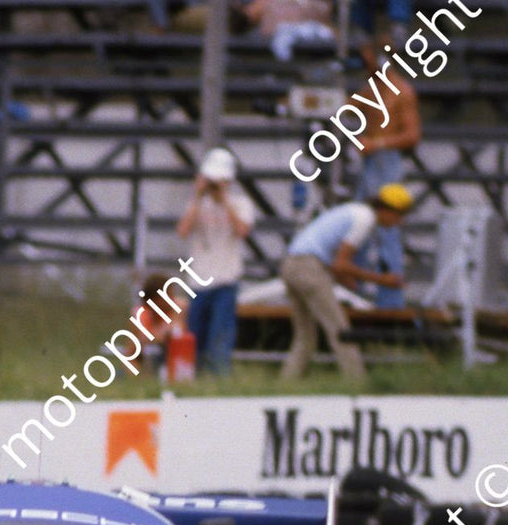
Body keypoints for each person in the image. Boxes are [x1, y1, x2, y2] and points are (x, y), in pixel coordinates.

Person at [279, 183, 413, 381]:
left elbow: (335, 262)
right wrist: (382, 280)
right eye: (398, 215)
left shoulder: (354, 210)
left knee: (305, 336)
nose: (398, 222)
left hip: (291, 263)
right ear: (386, 210)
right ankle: (357, 383)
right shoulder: (365, 220)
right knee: (341, 332)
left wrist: (347, 277)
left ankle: (286, 384)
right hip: (309, 267)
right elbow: (340, 264)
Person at [176, 148, 255, 375]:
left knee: (220, 338)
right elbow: (183, 230)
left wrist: (224, 200)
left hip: (225, 280)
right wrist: (198, 196)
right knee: (194, 338)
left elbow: (242, 230)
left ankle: (219, 380)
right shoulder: (196, 204)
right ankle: (191, 379)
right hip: (197, 280)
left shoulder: (240, 203)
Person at [353, 53, 420, 309]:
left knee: (387, 231)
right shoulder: (371, 88)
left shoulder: (402, 91)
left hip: (387, 162)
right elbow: (345, 106)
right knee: (360, 224)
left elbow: (413, 135)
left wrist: (378, 143)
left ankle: (391, 302)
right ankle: (355, 295)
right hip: (369, 163)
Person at [244, 0, 335, 61]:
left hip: (314, 56)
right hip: (268, 55)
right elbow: (245, 18)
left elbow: (331, 30)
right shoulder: (265, 2)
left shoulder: (319, 5)